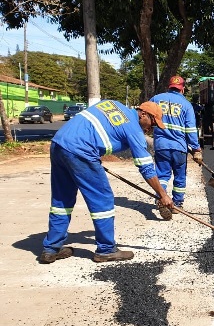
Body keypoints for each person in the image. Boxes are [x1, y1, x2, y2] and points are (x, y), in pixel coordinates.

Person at [39, 100, 173, 264]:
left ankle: (51, 249)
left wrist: (93, 155)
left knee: (62, 200)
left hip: (59, 144)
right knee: (102, 200)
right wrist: (162, 194)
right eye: (152, 123)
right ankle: (106, 249)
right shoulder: (133, 128)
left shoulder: (113, 104)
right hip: (81, 151)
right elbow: (146, 167)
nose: (151, 128)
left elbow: (97, 127)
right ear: (143, 114)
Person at [150, 76, 203, 219]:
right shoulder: (186, 105)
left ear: (169, 86)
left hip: (161, 145)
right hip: (179, 147)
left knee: (162, 175)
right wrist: (196, 149)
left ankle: (161, 198)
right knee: (180, 176)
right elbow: (191, 130)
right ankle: (177, 204)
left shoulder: (155, 99)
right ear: (183, 89)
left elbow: (145, 117)